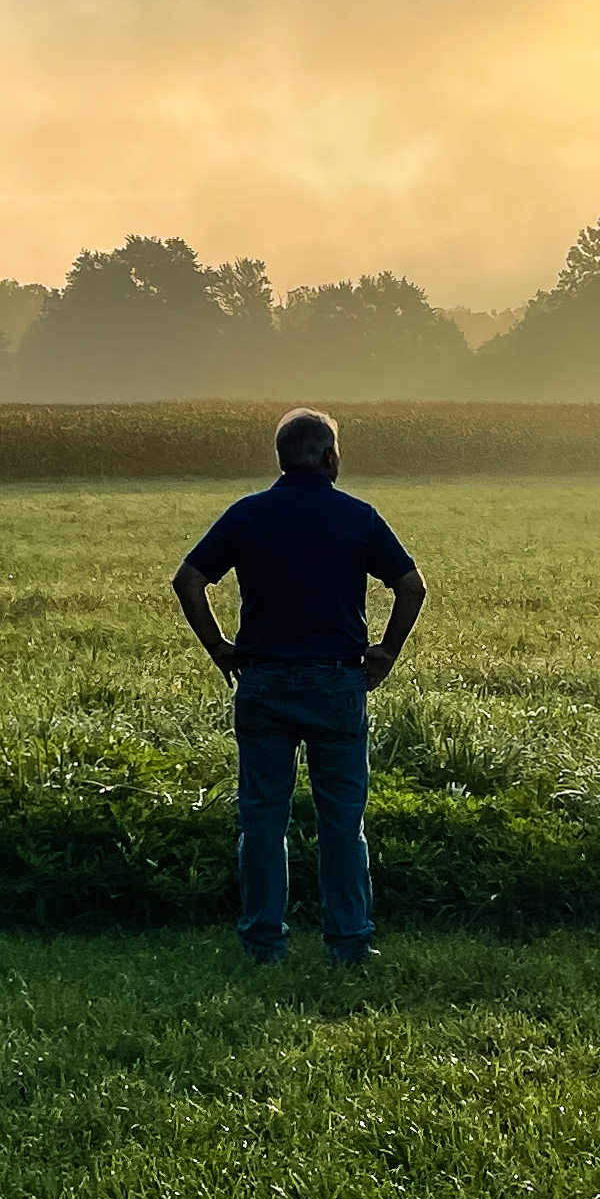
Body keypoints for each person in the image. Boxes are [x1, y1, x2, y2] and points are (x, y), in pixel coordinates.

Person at [171, 408, 426, 966]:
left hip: (261, 680)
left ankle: (263, 943)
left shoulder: (246, 515)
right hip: (337, 681)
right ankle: (349, 944)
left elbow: (189, 580)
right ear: (330, 457)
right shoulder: (357, 517)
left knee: (262, 817)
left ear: (282, 458)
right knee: (342, 820)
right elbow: (410, 585)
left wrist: (219, 649)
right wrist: (386, 651)